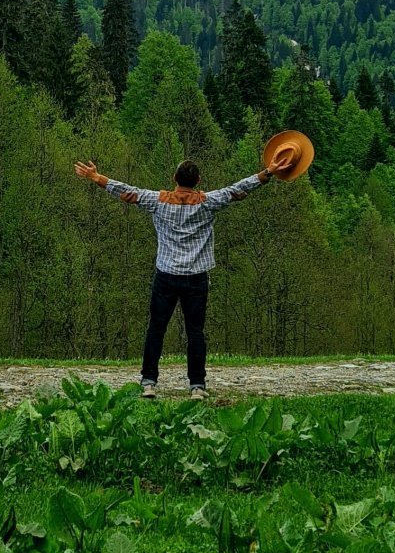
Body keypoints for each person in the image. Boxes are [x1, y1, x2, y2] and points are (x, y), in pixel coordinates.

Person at [73, 150, 295, 399]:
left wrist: (96, 177)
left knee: (156, 329)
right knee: (195, 332)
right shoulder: (208, 202)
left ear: (174, 178)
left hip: (166, 275)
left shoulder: (157, 201)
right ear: (198, 181)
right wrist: (268, 173)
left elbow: (126, 192)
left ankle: (148, 382)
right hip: (196, 277)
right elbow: (238, 190)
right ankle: (197, 386)